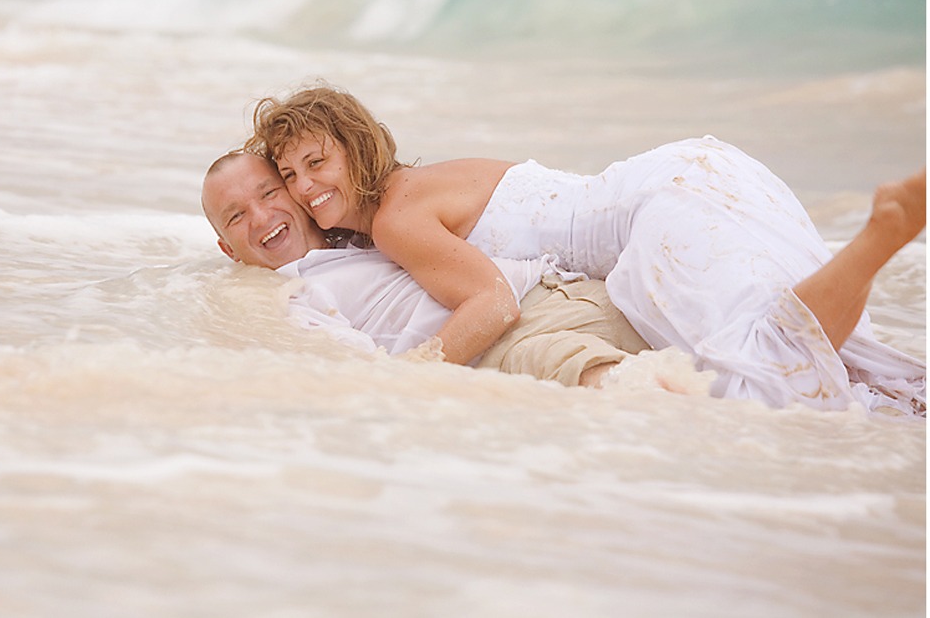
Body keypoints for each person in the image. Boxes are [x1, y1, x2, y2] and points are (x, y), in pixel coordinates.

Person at [247, 81, 927, 416]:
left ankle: (876, 239)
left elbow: (491, 306)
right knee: (816, 348)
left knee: (764, 381)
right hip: (695, 171)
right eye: (290, 176)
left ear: (358, 148)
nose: (305, 187)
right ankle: (877, 241)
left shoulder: (398, 217)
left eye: (317, 162)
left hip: (654, 215)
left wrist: (406, 378)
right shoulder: (420, 186)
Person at [201, 151, 653, 388]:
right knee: (640, 394)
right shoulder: (287, 300)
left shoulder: (367, 225)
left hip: (568, 287)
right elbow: (365, 375)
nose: (261, 218)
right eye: (236, 216)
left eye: (268, 193)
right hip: (505, 346)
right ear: (227, 248)